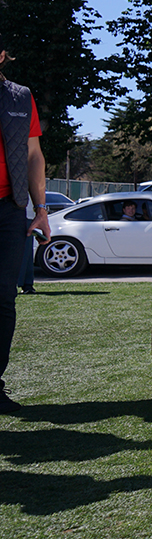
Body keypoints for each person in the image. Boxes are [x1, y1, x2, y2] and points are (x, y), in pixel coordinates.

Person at [0, 41, 52, 413]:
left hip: (9, 209)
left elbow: (34, 155)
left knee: (3, 299)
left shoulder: (20, 97)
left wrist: (41, 208)